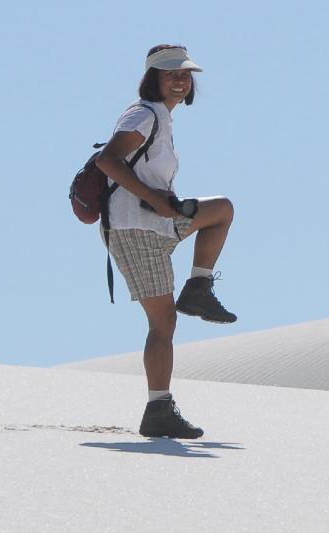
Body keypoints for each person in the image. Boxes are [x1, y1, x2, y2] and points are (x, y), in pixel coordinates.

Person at [96, 45, 236, 439]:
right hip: (134, 228)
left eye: (185, 74)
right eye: (171, 73)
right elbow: (107, 161)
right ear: (153, 78)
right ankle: (158, 409)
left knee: (221, 209)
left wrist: (164, 202)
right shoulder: (143, 113)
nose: (180, 80)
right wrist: (156, 198)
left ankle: (198, 289)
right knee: (163, 322)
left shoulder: (161, 118)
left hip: (158, 223)